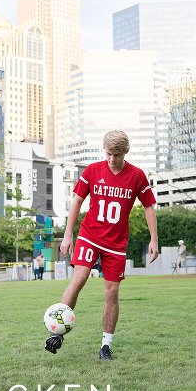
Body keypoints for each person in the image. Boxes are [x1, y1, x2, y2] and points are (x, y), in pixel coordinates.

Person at [45, 130, 158, 361]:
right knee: (79, 278)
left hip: (116, 244)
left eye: (116, 154)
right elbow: (77, 200)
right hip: (90, 235)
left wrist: (154, 239)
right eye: (108, 154)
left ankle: (106, 345)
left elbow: (148, 206)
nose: (112, 159)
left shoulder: (137, 176)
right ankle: (56, 332)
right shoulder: (93, 171)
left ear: (125, 152)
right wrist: (68, 235)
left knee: (112, 293)